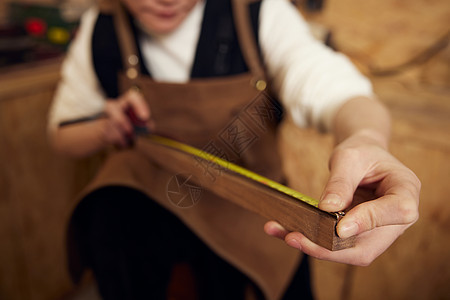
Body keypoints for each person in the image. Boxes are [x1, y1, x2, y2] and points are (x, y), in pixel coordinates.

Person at [48, 0, 421, 299]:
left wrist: (366, 137)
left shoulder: (259, 11)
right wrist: (105, 127)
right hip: (151, 204)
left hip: (251, 211)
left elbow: (333, 87)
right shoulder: (99, 28)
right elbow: (61, 133)